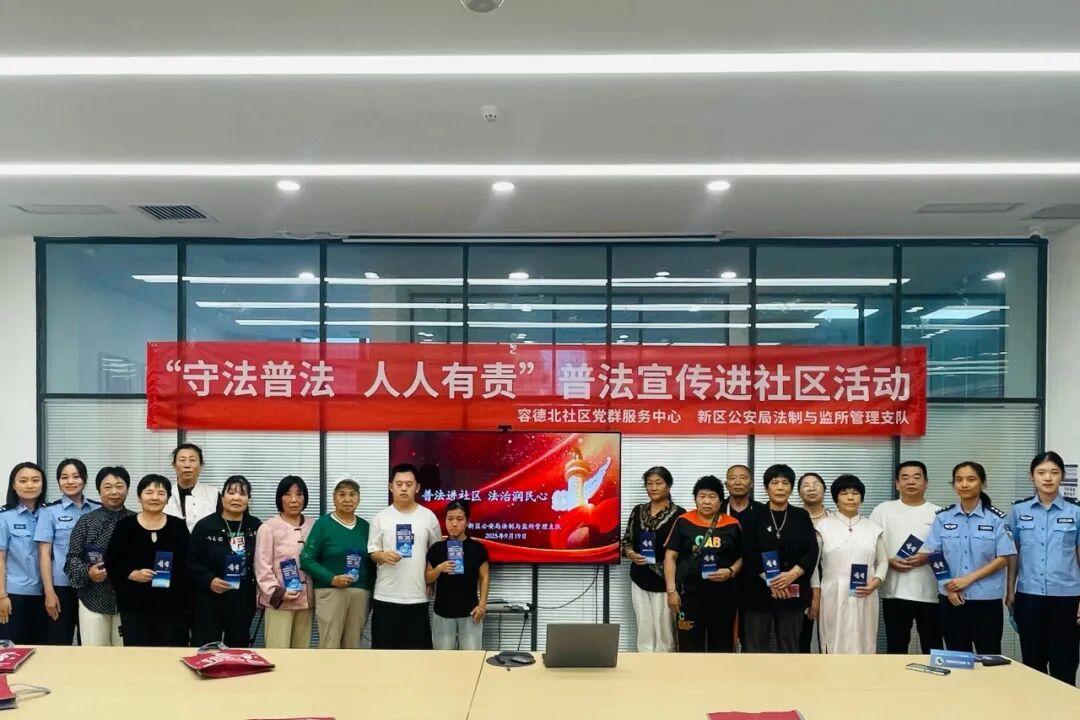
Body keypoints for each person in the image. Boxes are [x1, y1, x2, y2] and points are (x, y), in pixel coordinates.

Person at [921, 461, 1016, 654]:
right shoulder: (943, 517)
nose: (964, 484)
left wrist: (967, 580)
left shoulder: (997, 519)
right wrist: (949, 588)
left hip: (986, 600)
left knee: (989, 656)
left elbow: (1003, 558)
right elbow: (934, 555)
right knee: (956, 657)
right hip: (952, 599)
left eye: (971, 479)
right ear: (954, 484)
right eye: (959, 480)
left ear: (983, 483)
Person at [1006, 451, 1080, 685]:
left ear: (1063, 476)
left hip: (1067, 598)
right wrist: (1009, 591)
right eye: (1041, 472)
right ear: (1032, 476)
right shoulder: (1019, 511)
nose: (1048, 478)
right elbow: (1013, 555)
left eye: (1054, 472)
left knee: (1064, 663)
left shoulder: (1076, 511)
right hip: (1029, 596)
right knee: (1032, 663)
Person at [740, 464, 818, 653]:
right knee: (755, 647)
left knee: (790, 646)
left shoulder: (801, 516)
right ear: (766, 488)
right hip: (758, 591)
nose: (780, 487)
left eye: (785, 483)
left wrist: (792, 574)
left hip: (792, 590)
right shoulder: (753, 515)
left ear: (791, 488)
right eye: (775, 483)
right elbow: (747, 551)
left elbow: (812, 550)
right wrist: (771, 580)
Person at [105, 474, 190, 647]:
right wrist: (131, 574)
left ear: (168, 499)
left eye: (161, 493)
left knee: (171, 655)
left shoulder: (178, 526)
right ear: (139, 497)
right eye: (149, 492)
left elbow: (189, 564)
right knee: (139, 657)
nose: (155, 497)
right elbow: (112, 562)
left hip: (173, 608)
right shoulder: (125, 526)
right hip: (134, 607)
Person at [868, 461, 942, 654]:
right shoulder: (883, 510)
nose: (911, 482)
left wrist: (928, 557)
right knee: (896, 647)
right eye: (905, 477)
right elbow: (869, 545)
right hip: (894, 592)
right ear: (896, 483)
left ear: (926, 483)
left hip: (930, 593)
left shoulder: (939, 513)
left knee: (933, 646)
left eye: (917, 477)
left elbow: (950, 551)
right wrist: (888, 561)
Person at [663, 475, 742, 652]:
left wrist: (731, 571)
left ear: (720, 501)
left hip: (724, 596)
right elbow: (670, 557)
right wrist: (671, 591)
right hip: (689, 596)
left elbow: (743, 557)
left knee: (722, 645)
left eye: (712, 497)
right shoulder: (683, 521)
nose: (706, 501)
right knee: (688, 645)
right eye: (702, 496)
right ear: (695, 498)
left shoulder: (732, 524)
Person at [368, 463, 442, 650]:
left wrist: (432, 581)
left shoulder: (428, 517)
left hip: (417, 596)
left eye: (409, 484)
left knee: (418, 656)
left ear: (417, 487)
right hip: (385, 596)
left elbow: (436, 553)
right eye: (399, 484)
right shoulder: (380, 518)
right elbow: (373, 551)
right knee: (383, 656)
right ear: (390, 487)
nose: (403, 488)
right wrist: (383, 556)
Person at [816, 474, 888, 654]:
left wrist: (876, 581)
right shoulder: (823, 526)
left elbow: (883, 561)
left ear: (861, 498)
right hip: (832, 592)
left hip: (866, 591)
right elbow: (813, 566)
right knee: (833, 638)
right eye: (844, 493)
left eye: (855, 493)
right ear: (836, 499)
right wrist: (815, 593)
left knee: (864, 638)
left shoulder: (873, 528)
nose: (850, 497)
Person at [64, 466, 134, 646]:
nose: (114, 492)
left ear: (127, 489)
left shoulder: (137, 521)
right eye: (107, 487)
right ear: (99, 490)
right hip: (93, 599)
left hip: (129, 601)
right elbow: (72, 559)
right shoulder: (86, 521)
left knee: (127, 655)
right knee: (94, 656)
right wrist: (88, 572)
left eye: (119, 486)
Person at [188, 475, 261, 648]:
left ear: (249, 499)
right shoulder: (205, 526)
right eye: (231, 493)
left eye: (242, 494)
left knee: (238, 648)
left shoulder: (256, 526)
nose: (236, 498)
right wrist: (209, 580)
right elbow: (190, 560)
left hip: (242, 597)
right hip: (209, 596)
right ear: (222, 498)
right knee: (206, 648)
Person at [301, 477, 374, 649]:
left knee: (353, 646)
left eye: (352, 494)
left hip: (359, 595)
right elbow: (306, 559)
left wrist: (371, 595)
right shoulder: (323, 524)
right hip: (330, 592)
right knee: (330, 645)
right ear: (334, 498)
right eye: (342, 494)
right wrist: (332, 578)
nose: (347, 499)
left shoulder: (365, 527)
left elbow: (372, 564)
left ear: (359, 499)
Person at [35, 458, 99, 645]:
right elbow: (44, 554)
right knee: (59, 641)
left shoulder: (97, 508)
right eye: (64, 477)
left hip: (92, 585)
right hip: (62, 587)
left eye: (76, 476)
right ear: (58, 482)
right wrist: (49, 592)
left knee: (90, 642)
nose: (70, 481)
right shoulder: (49, 512)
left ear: (84, 479)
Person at [621, 466, 685, 652]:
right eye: (649, 483)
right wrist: (631, 554)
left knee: (665, 630)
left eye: (659, 483)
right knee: (644, 627)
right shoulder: (638, 510)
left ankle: (665, 666)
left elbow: (684, 550)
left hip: (666, 581)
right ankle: (644, 664)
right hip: (639, 577)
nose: (653, 487)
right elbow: (626, 541)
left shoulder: (680, 514)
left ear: (668, 486)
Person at [255, 475, 314, 649]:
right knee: (278, 651)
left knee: (301, 653)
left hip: (306, 602)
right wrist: (278, 592)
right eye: (287, 494)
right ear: (280, 498)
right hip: (280, 602)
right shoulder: (268, 527)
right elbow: (262, 567)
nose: (294, 500)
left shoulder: (313, 526)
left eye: (299, 494)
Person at [426, 500, 490, 650]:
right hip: (442, 613)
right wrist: (439, 568)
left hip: (470, 613)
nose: (454, 524)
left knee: (471, 659)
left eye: (459, 519)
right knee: (442, 660)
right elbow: (428, 577)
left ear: (467, 521)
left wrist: (482, 605)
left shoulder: (478, 548)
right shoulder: (437, 548)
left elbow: (484, 577)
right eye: (450, 519)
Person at [0, 462, 47, 644]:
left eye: (35, 480)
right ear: (13, 484)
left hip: (46, 595)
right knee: (13, 650)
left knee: (44, 651)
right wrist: (2, 595)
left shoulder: (49, 513)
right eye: (23, 481)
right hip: (14, 595)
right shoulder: (4, 517)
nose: (30, 485)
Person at [797, 472, 828, 653]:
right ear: (799, 492)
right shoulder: (793, 518)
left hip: (832, 583)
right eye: (806, 485)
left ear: (824, 489)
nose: (811, 488)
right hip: (801, 583)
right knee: (803, 635)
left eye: (816, 484)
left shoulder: (835, 519)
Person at [164, 443, 220, 533]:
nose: (187, 465)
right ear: (174, 465)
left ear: (201, 465)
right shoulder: (164, 494)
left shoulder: (214, 495)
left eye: (192, 460)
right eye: (182, 460)